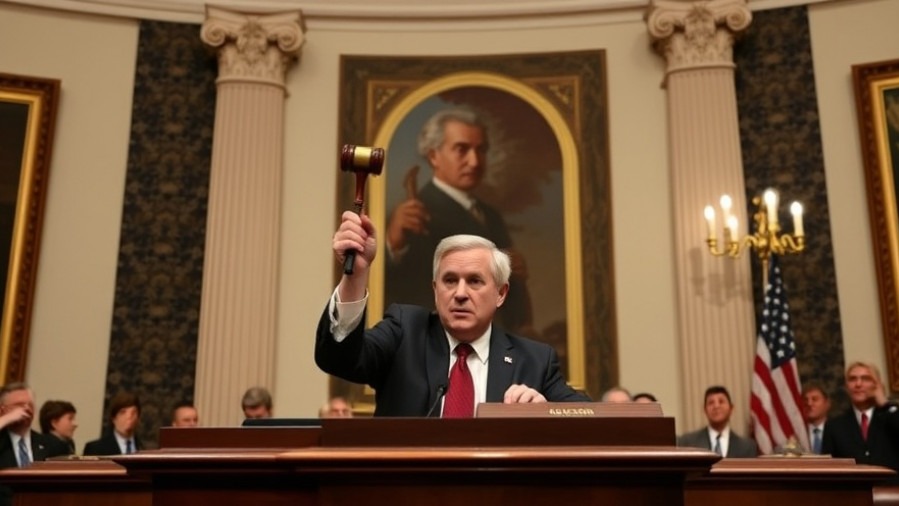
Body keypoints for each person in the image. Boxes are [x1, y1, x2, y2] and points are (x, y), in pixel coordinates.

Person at [316, 211, 590, 417]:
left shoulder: (534, 360)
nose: (460, 293)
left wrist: (547, 411)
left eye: (474, 281)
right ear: (436, 289)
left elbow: (589, 415)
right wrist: (358, 273)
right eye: (449, 280)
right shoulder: (405, 331)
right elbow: (338, 358)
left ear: (501, 293)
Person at [385, 108, 533, 335]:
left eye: (481, 150)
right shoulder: (414, 214)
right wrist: (393, 243)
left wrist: (512, 272)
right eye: (461, 149)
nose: (474, 161)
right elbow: (396, 285)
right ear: (434, 156)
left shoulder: (490, 215)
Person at [822, 362, 899, 479]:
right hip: (851, 494)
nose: (858, 384)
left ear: (877, 385)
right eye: (852, 379)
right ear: (846, 386)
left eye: (866, 378)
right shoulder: (834, 426)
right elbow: (828, 471)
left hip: (892, 492)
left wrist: (884, 403)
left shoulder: (891, 416)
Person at [0, 383, 69, 467]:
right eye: (19, 405)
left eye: (30, 405)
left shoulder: (54, 445)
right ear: (3, 410)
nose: (27, 409)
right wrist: (4, 420)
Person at [677, 385, 757, 458]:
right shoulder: (687, 443)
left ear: (731, 409)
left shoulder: (748, 447)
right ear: (704, 410)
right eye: (711, 403)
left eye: (721, 401)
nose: (716, 406)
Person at [802, 382, 831, 454]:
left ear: (827, 403)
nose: (809, 403)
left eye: (814, 399)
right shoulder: (798, 433)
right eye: (806, 400)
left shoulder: (838, 432)